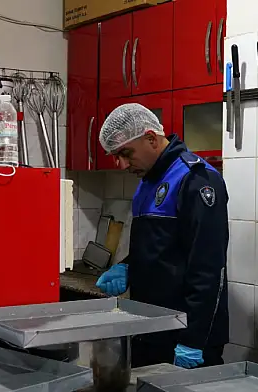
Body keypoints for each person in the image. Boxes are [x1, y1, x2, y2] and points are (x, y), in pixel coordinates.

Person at [94, 103, 229, 369]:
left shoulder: (196, 180)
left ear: (151, 139)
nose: (122, 164)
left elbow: (209, 269)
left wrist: (193, 340)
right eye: (116, 156)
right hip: (151, 327)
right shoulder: (147, 183)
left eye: (126, 153)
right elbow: (160, 247)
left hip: (186, 335)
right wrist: (128, 266)